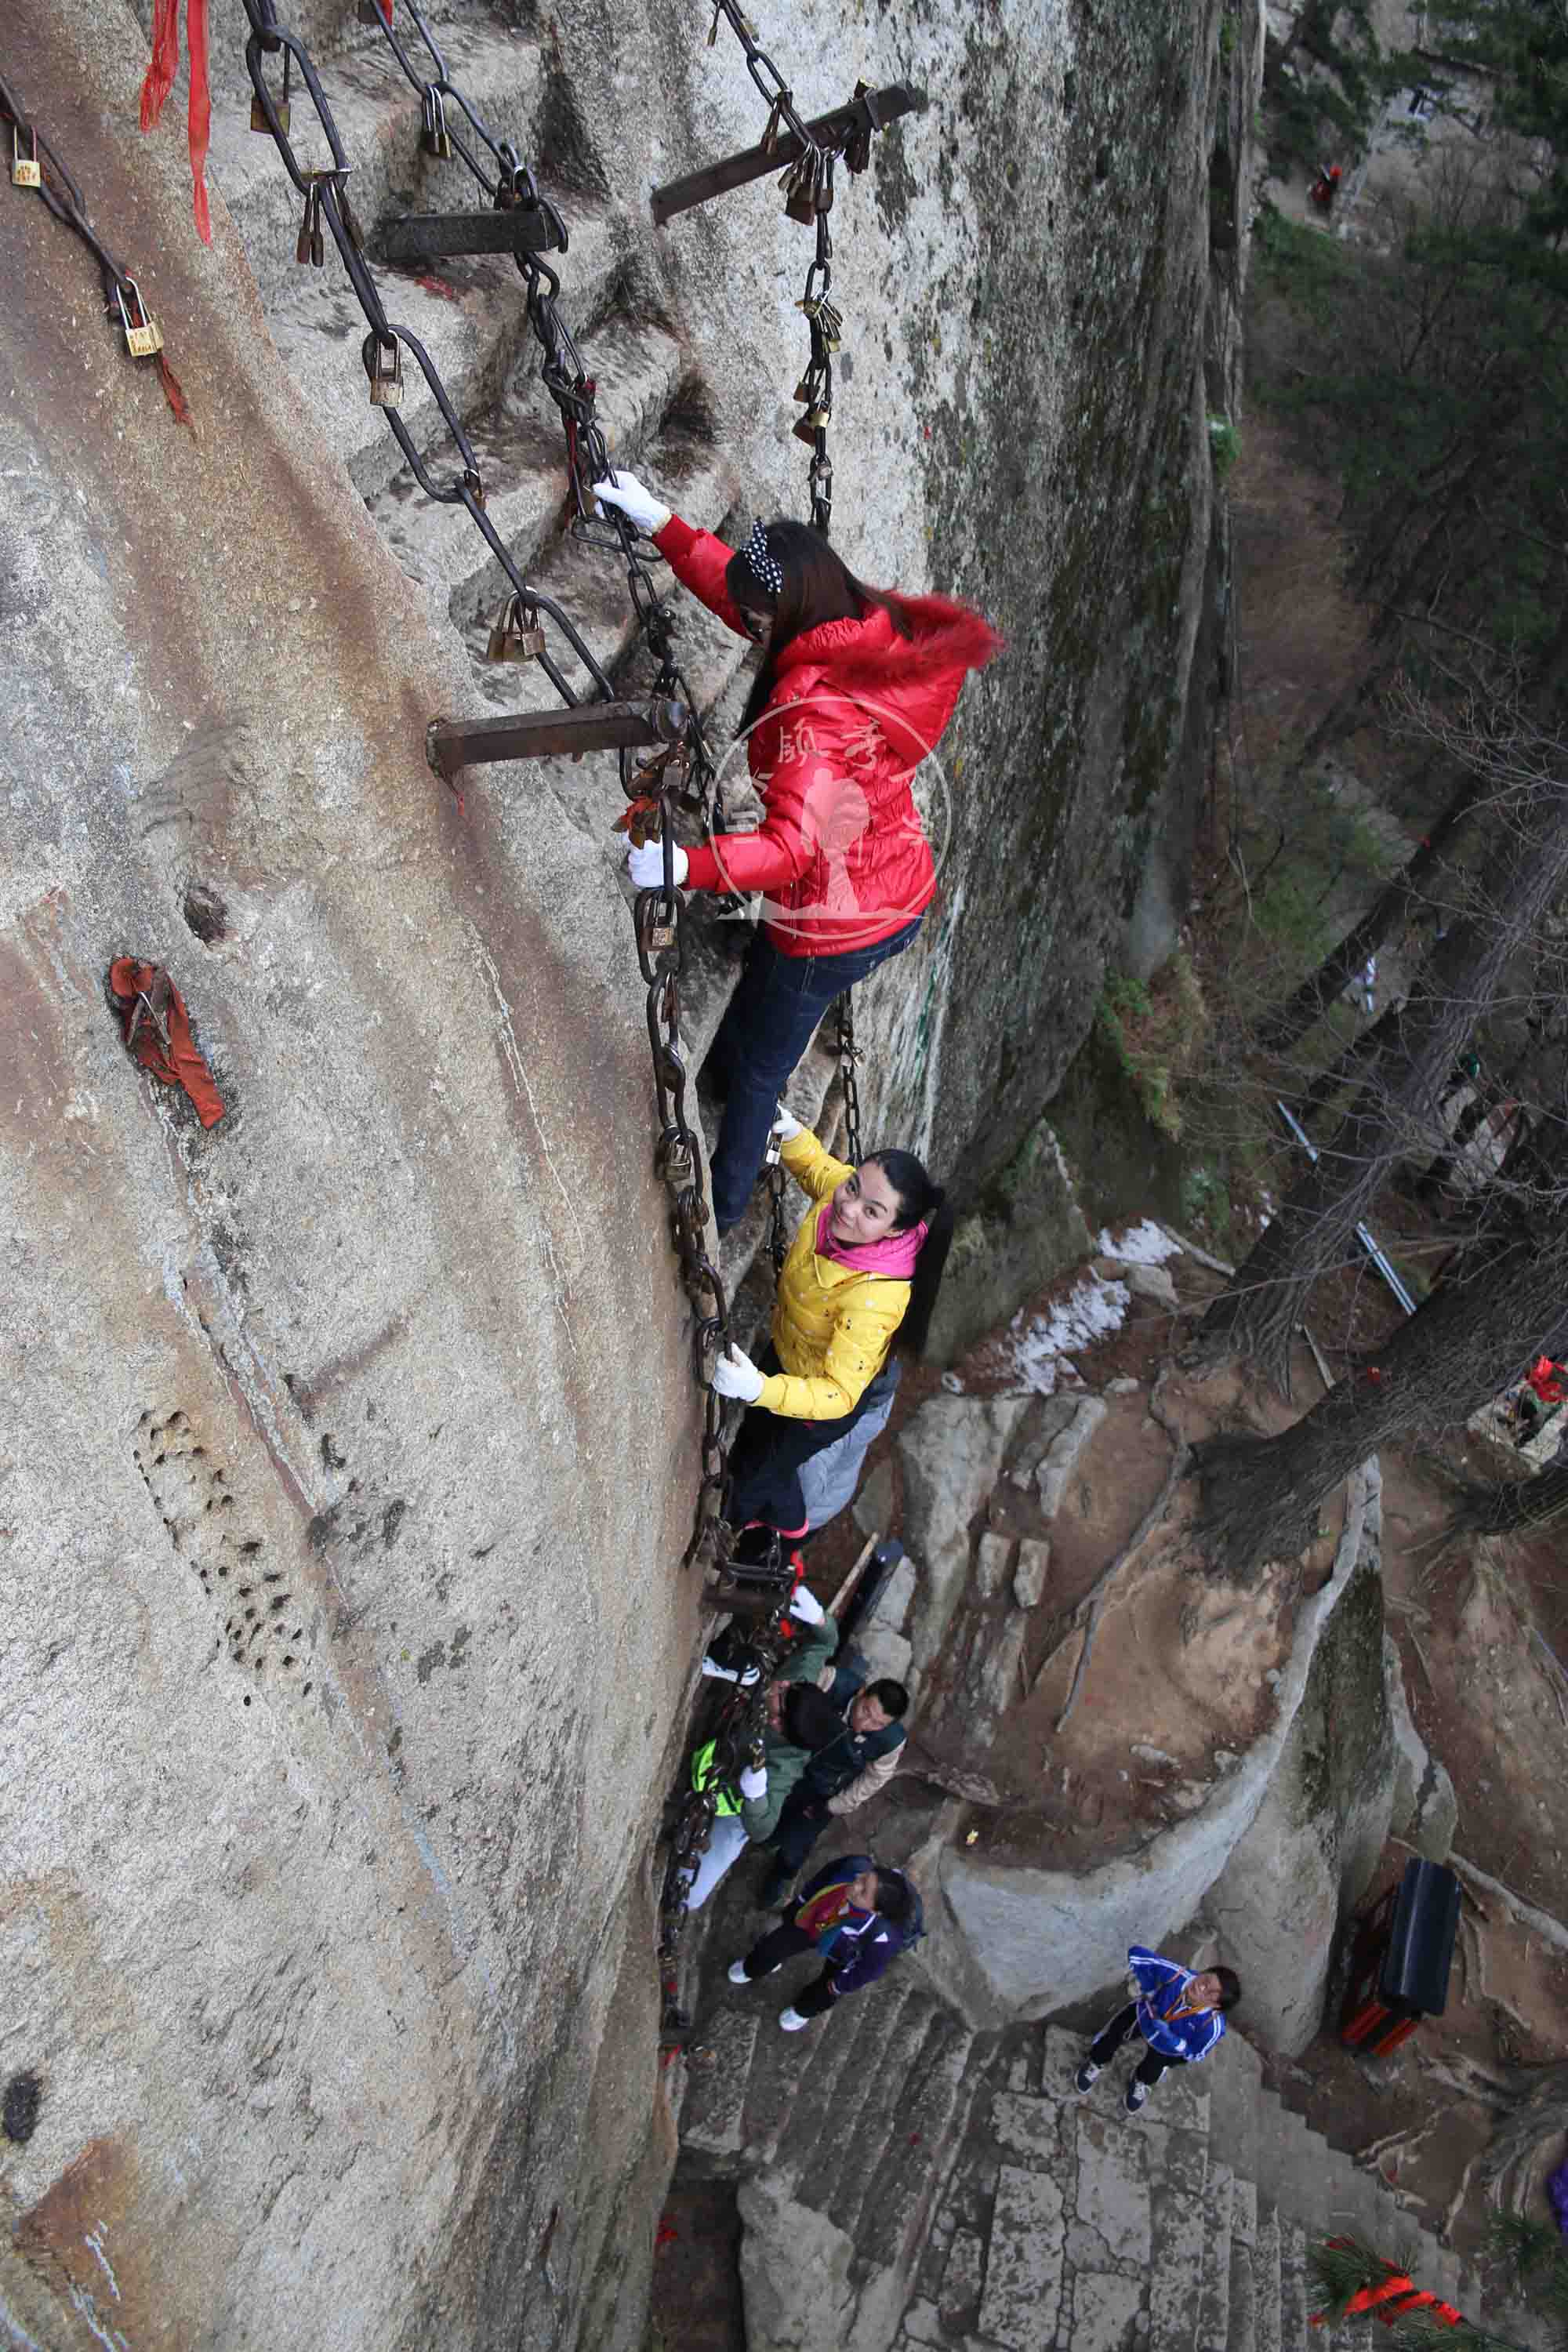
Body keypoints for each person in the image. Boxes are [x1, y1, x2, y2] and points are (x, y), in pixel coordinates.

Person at [591, 470, 1000, 1232]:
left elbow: (787, 849)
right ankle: (742, 1052)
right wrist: (662, 524)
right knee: (765, 1009)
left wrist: (684, 867)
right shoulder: (852, 627)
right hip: (892, 885)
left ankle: (726, 1201)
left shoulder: (808, 707)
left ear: (781, 614)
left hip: (832, 924)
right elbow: (747, 598)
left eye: (755, 619)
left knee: (757, 1077)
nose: (747, 628)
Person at [710, 1109, 953, 1550]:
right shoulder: (847, 1204)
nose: (848, 1206)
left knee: (754, 1474)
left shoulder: (874, 1298)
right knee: (755, 1445)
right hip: (789, 1353)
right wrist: (796, 1138)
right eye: (855, 1186)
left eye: (871, 1211)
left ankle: (734, 1536)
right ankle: (774, 1506)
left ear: (894, 1229)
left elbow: (839, 1393)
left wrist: (759, 1389)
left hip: (818, 1406)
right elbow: (824, 1174)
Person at [684, 1667, 842, 1912]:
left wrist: (755, 1794)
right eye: (787, 1686)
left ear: (777, 1722)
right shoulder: (793, 1701)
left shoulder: (783, 1768)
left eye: (783, 1691)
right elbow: (824, 1643)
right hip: (722, 1765)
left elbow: (762, 1829)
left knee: (689, 1896)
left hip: (735, 1813)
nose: (783, 1684)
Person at [758, 1663, 910, 1907]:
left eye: (878, 1723)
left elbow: (875, 1778)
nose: (865, 1723)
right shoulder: (833, 1682)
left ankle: (780, 1875)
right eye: (865, 1711)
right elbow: (785, 1697)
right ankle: (765, 1837)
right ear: (862, 1693)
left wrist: (834, 1805)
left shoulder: (891, 1741)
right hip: (791, 1759)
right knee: (769, 1812)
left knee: (795, 1848)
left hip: (823, 1788)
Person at [728, 1853, 918, 2031]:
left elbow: (869, 1970)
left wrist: (839, 1985)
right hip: (815, 1920)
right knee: (772, 1947)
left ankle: (804, 2010)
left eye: (863, 1892)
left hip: (847, 1951)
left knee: (825, 1991)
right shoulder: (854, 1867)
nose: (855, 1885)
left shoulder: (882, 1938)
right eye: (863, 1879)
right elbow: (823, 1878)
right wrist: (800, 1904)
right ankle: (753, 1967)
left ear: (876, 1912)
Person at [1075, 1946, 1242, 2114]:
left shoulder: (1212, 2027)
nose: (1200, 1988)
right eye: (1204, 1981)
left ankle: (1140, 2081)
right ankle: (1096, 2061)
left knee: (1152, 2070)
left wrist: (1174, 2040)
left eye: (1209, 1994)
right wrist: (1149, 1988)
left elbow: (1196, 2054)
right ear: (1203, 1972)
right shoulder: (1177, 1975)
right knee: (1113, 2035)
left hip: (1167, 2048)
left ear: (1215, 2006)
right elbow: (1136, 1954)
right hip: (1143, 2016)